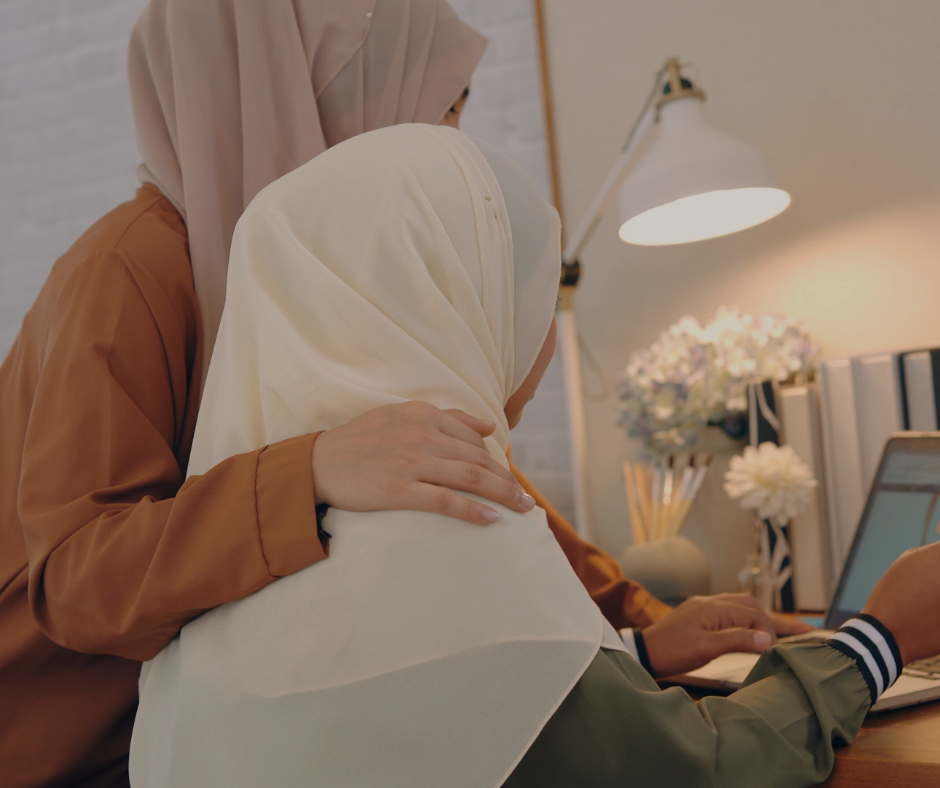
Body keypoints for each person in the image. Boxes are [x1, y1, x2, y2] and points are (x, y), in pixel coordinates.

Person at [0, 1, 796, 784]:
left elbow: (439, 460)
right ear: (312, 97)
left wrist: (643, 627)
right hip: (86, 753)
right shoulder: (129, 271)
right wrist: (308, 470)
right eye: (441, 105)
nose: (451, 142)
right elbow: (77, 585)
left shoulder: (337, 265)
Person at [128, 122, 940, 788]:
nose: (541, 330)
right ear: (455, 300)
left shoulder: (243, 547)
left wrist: (636, 657)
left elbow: (411, 708)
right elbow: (710, 771)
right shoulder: (446, 524)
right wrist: (882, 635)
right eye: (532, 290)